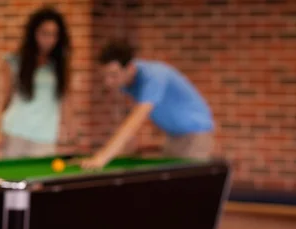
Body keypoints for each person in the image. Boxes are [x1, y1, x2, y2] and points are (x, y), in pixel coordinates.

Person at [81, 40, 215, 169]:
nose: (108, 82)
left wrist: (103, 156)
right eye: (105, 75)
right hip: (173, 135)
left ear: (130, 68)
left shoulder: (153, 76)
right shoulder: (126, 81)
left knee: (187, 187)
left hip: (196, 134)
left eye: (113, 75)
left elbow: (136, 118)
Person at [0, 6, 72, 158]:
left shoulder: (58, 66)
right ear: (34, 33)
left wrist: (69, 129)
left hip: (45, 138)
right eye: (45, 33)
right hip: (14, 133)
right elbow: (3, 99)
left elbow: (64, 101)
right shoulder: (15, 62)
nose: (49, 39)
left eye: (54, 35)